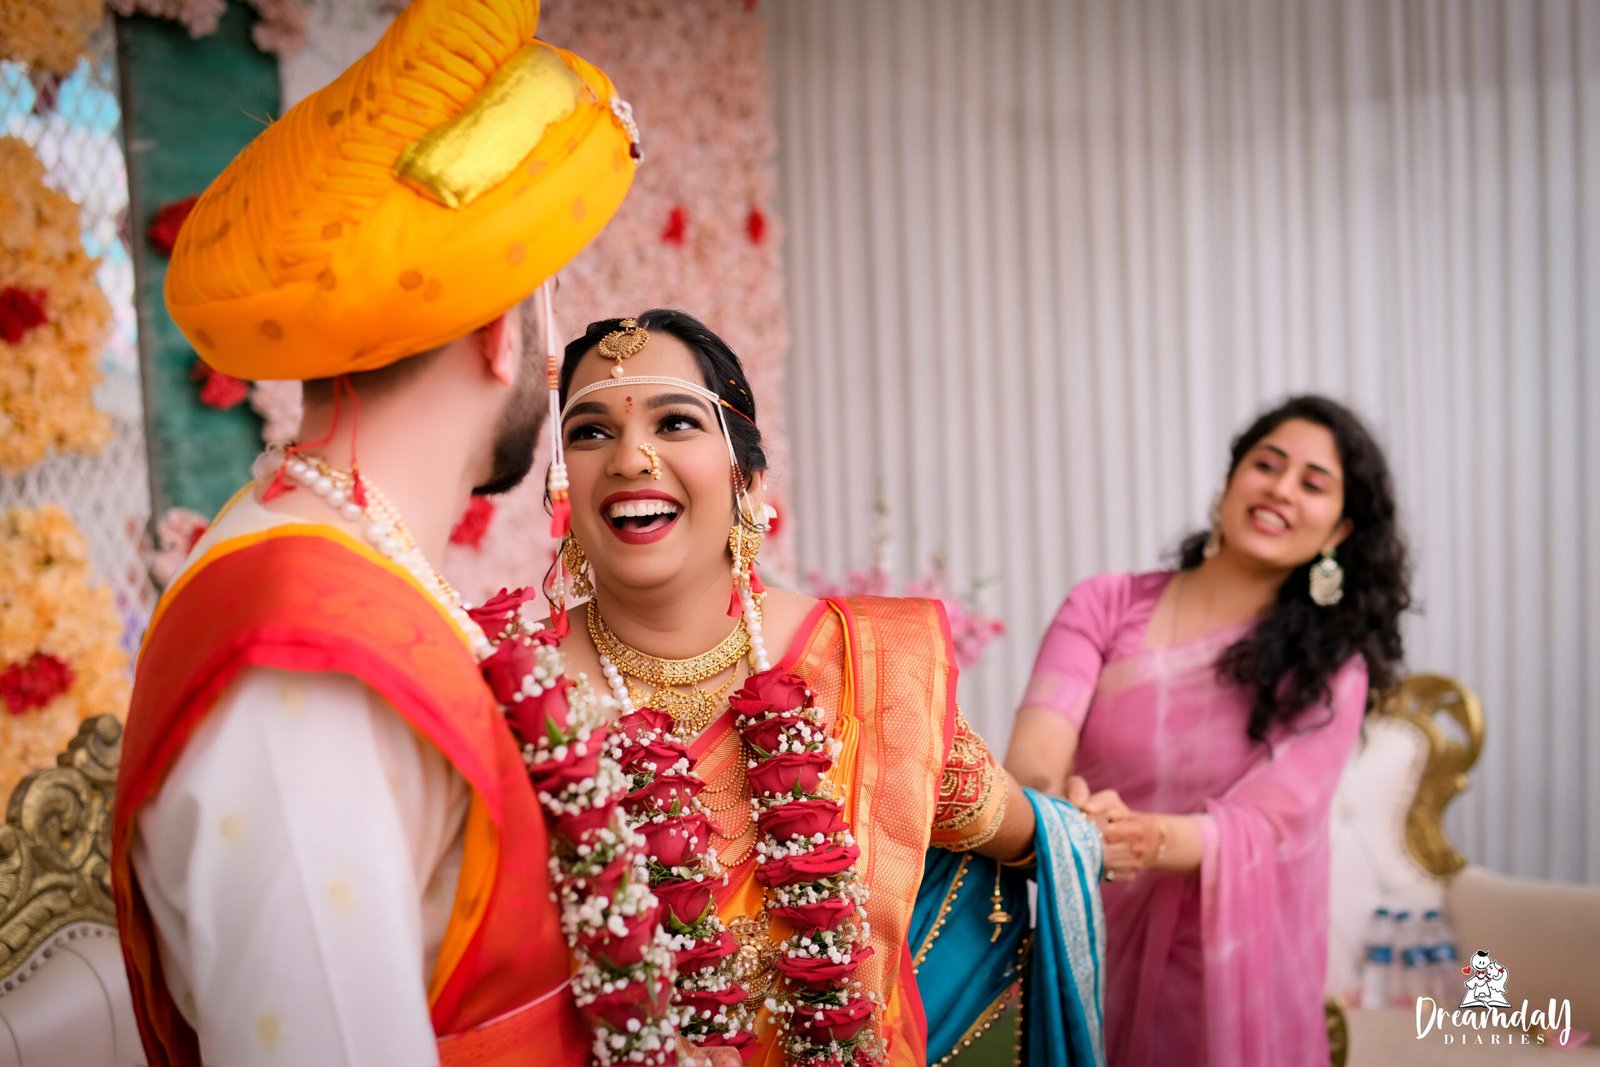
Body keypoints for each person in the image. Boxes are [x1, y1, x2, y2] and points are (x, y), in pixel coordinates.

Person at [109, 2, 642, 1064]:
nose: (552, 360)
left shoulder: (355, 573)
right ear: (500, 334)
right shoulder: (305, 663)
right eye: (546, 314)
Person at [541, 308, 1107, 1067]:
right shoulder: (514, 691)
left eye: (675, 422)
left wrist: (1099, 836)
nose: (629, 458)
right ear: (561, 483)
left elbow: (1012, 825)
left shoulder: (863, 662)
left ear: (748, 480)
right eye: (589, 431)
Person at [1004, 395, 1411, 1067]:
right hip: (1084, 920)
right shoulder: (1105, 604)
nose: (1281, 489)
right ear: (1231, 479)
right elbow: (1035, 760)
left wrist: (1146, 836)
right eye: (1267, 465)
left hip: (1218, 961)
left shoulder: (1330, 669)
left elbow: (1273, 823)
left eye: (1313, 484)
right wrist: (1062, 810)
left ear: (1339, 530)